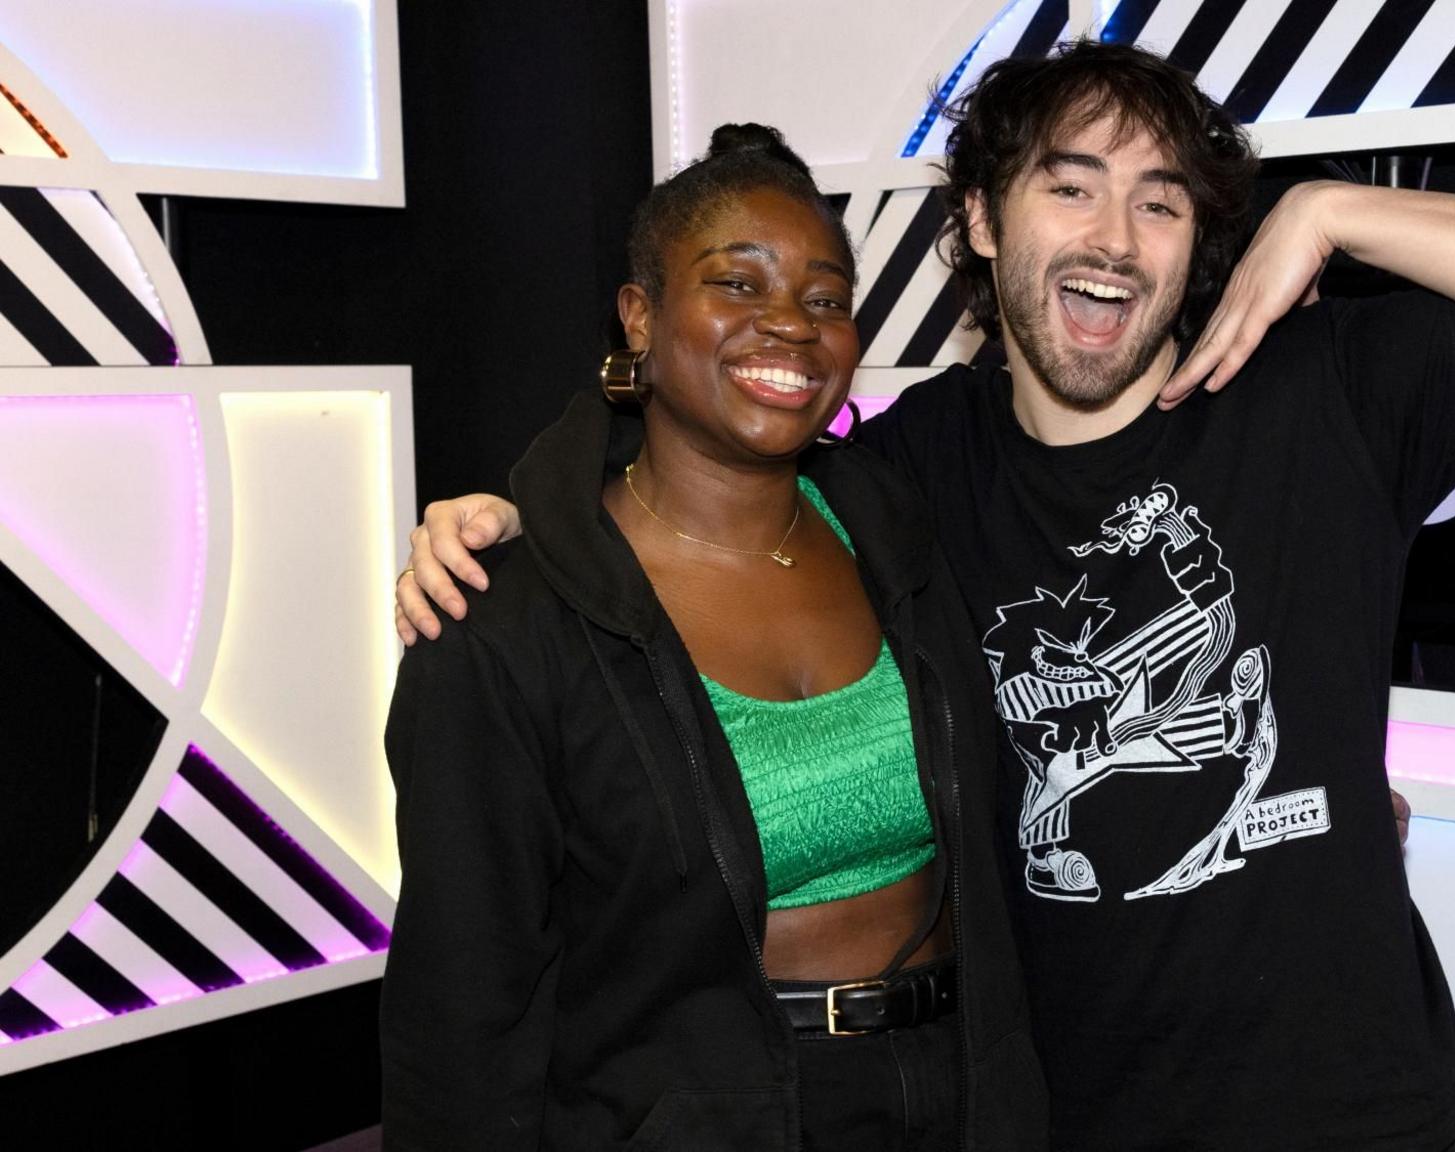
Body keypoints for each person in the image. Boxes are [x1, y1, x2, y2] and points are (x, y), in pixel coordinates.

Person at [398, 43, 1455, 1152]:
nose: (1114, 239)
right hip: (1050, 1119)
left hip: (1351, 1114)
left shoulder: (1317, 392)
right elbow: (710, 461)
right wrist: (520, 515)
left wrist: (1333, 214)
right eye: (1069, 187)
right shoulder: (905, 473)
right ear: (984, 221)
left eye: (1159, 204)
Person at [379, 124, 1046, 1152]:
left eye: (825, 300)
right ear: (639, 317)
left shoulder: (901, 535)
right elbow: (462, 1007)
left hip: (952, 1097)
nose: (789, 325)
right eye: (737, 285)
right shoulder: (506, 626)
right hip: (703, 1117)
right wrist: (527, 516)